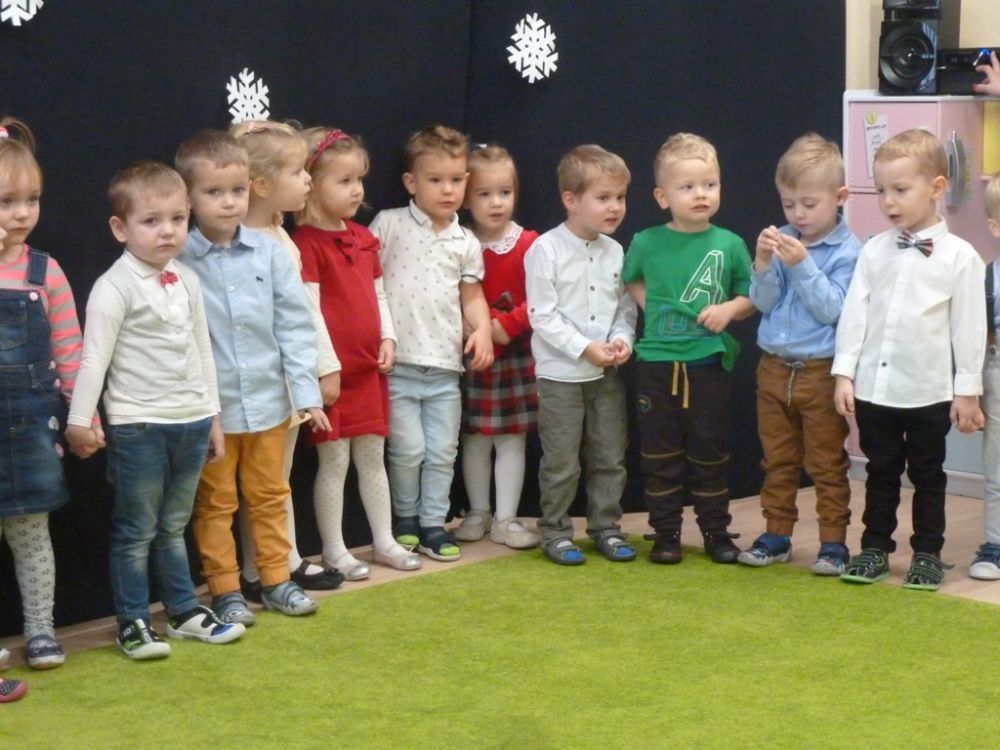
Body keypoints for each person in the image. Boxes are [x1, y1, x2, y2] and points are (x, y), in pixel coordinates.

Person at [65, 162, 245, 659]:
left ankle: (184, 612)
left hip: (191, 422)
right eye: (151, 221)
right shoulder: (113, 286)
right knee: (136, 530)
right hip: (139, 426)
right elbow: (93, 359)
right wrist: (80, 422)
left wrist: (213, 416)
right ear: (120, 228)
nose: (167, 231)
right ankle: (133, 622)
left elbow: (203, 349)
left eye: (177, 219)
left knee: (173, 525)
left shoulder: (187, 279)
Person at [176, 130, 331, 623]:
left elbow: (294, 325)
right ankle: (225, 590)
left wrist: (306, 393)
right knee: (215, 504)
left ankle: (277, 580)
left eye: (237, 190)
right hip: (213, 414)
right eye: (213, 192)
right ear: (188, 198)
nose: (228, 202)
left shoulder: (270, 253)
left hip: (268, 404)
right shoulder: (178, 259)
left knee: (270, 496)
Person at [833, 128, 986, 591]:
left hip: (928, 391)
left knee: (927, 476)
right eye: (881, 190)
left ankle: (927, 554)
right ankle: (874, 547)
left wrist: (967, 391)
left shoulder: (961, 257)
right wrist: (844, 374)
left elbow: (969, 328)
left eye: (900, 189)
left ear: (937, 187)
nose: (888, 201)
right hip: (875, 390)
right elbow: (855, 314)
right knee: (879, 472)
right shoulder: (873, 250)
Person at [622, 133, 753, 565]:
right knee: (659, 454)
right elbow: (631, 278)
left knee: (709, 452)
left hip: (707, 364)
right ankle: (666, 534)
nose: (701, 194)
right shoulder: (646, 241)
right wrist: (652, 307)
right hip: (656, 364)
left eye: (710, 185)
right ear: (663, 197)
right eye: (688, 186)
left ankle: (716, 532)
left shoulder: (730, 243)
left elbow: (751, 295)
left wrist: (728, 310)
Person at [294, 127, 420, 574]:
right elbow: (308, 311)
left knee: (372, 458)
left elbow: (378, 294)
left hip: (369, 371)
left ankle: (383, 540)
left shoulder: (364, 238)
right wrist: (325, 367)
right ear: (312, 184)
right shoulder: (305, 243)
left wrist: (388, 337)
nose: (357, 190)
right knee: (334, 462)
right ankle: (334, 548)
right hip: (333, 376)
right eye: (344, 180)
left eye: (359, 179)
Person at [228, 120, 345, 596]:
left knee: (275, 478)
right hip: (252, 384)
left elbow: (303, 314)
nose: (308, 181)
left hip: (285, 381)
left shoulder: (280, 236)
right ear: (260, 184)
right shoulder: (235, 241)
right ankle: (260, 568)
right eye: (297, 172)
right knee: (257, 480)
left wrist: (321, 367)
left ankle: (279, 560)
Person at [369, 125, 494, 563]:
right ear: (411, 182)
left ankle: (434, 523)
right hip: (399, 363)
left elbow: (471, 295)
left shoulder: (466, 241)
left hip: (445, 367)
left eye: (456, 180)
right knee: (407, 450)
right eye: (435, 180)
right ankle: (405, 519)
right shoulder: (389, 224)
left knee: (442, 451)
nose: (447, 190)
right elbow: (367, 282)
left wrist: (481, 330)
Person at [739, 133, 862, 575]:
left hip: (820, 371)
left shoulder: (849, 252)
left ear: (840, 197)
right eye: (789, 204)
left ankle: (833, 544)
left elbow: (835, 310)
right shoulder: (784, 238)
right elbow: (764, 303)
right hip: (773, 368)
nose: (798, 214)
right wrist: (762, 264)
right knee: (777, 459)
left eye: (809, 204)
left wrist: (802, 265)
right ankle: (777, 535)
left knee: (827, 463)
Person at [524, 144, 637, 565]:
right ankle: (555, 531)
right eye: (603, 197)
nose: (615, 207)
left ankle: (606, 527)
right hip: (560, 377)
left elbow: (624, 307)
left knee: (609, 455)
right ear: (571, 200)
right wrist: (584, 347)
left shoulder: (616, 251)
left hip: (605, 375)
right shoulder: (546, 249)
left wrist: (622, 340)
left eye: (620, 197)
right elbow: (542, 315)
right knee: (562, 461)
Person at [0, 118, 82, 669]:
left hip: (32, 426)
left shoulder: (44, 270)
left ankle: (41, 631)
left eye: (31, 200)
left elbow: (70, 351)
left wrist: (82, 417)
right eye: (7, 201)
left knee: (33, 534)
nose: (22, 213)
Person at [453, 145, 540, 549]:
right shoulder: (456, 242)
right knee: (474, 437)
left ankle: (506, 519)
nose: (496, 202)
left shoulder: (530, 244)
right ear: (467, 197)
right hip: (471, 354)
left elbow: (543, 299)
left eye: (505, 192)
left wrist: (506, 326)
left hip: (516, 355)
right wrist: (474, 328)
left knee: (511, 439)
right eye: (485, 194)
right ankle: (478, 511)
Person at [969, 172, 1000, 580]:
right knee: (996, 469)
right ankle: (995, 544)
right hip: (996, 373)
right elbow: (977, 338)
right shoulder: (986, 277)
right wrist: (971, 392)